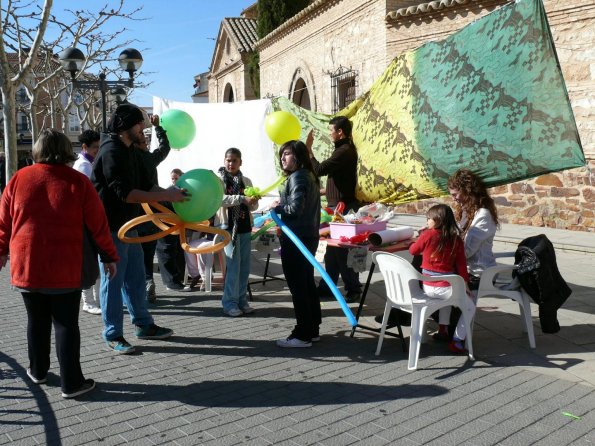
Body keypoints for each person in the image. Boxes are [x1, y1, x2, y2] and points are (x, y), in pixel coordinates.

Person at [0, 129, 118, 398]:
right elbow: (99, 225)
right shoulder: (78, 182)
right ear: (66, 149)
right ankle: (72, 383)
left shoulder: (19, 179)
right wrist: (109, 256)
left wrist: (1, 252)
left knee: (36, 322)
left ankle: (38, 371)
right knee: (66, 324)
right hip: (65, 265)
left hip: (27, 264)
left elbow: (3, 222)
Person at [91, 103, 188, 354]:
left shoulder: (131, 150)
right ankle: (112, 334)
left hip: (129, 226)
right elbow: (125, 193)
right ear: (125, 126)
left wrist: (172, 194)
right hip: (110, 229)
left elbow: (148, 186)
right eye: (139, 123)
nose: (143, 127)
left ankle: (143, 324)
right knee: (113, 282)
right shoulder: (111, 151)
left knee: (135, 279)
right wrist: (166, 195)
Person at [271, 140, 321, 347]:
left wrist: (278, 206)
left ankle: (302, 334)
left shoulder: (298, 176)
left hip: (297, 238)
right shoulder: (309, 176)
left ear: (298, 157)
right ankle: (312, 328)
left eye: (288, 154)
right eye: (282, 154)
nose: (283, 158)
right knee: (307, 283)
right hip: (307, 236)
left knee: (298, 286)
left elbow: (295, 208)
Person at [307, 116, 362, 302]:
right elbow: (337, 180)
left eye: (332, 130)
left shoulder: (345, 151)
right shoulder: (342, 150)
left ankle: (354, 288)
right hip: (335, 207)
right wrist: (321, 192)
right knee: (331, 251)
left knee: (342, 251)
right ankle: (327, 286)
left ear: (340, 132)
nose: (330, 133)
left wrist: (309, 153)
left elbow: (320, 169)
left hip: (343, 207)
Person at [446, 168, 499, 353]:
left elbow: (467, 251)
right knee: (431, 274)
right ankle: (443, 326)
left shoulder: (482, 215)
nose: (454, 198)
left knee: (463, 289)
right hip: (466, 266)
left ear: (467, 190)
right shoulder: (468, 212)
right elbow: (458, 238)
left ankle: (457, 337)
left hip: (480, 270)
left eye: (456, 194)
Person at [408, 204, 470, 341]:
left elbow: (413, 250)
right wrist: (465, 285)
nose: (427, 222)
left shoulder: (427, 235)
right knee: (470, 306)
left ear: (437, 219)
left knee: (446, 301)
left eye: (428, 219)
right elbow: (461, 265)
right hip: (446, 288)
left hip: (428, 287)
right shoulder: (456, 239)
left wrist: (419, 238)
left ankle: (443, 330)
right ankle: (457, 339)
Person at [217, 148, 259, 316]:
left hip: (244, 227)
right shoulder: (219, 181)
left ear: (241, 162)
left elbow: (253, 206)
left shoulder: (246, 180)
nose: (231, 163)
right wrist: (241, 198)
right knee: (233, 266)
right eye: (228, 160)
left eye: (234, 160)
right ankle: (229, 303)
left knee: (244, 267)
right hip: (228, 228)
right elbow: (219, 200)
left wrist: (253, 201)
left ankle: (242, 300)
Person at [135, 116, 173, 301]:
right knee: (147, 254)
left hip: (136, 217)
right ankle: (147, 283)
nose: (147, 143)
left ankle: (142, 286)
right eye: (144, 141)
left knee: (138, 255)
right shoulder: (148, 160)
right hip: (149, 215)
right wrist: (158, 128)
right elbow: (165, 148)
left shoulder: (129, 162)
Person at [73, 129, 102, 314]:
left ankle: (97, 299)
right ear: (84, 147)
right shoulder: (83, 165)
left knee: (95, 261)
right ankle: (89, 301)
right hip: (86, 220)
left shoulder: (88, 162)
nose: (97, 151)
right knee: (90, 262)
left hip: (90, 218)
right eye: (94, 148)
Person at [155, 167, 187, 292]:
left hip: (176, 227)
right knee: (167, 251)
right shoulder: (169, 191)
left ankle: (177, 280)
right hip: (166, 227)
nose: (174, 181)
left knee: (177, 252)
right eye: (172, 178)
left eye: (176, 178)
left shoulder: (183, 191)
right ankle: (171, 282)